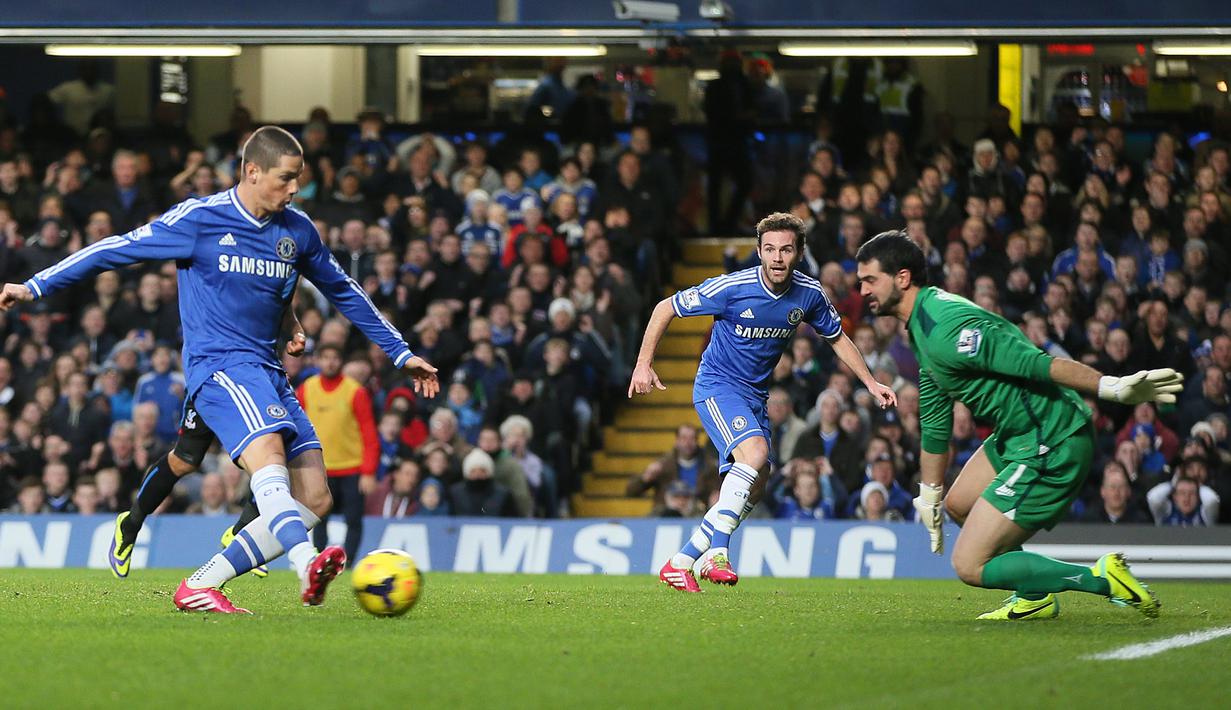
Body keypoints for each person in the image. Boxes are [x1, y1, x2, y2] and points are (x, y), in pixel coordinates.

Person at [0, 126, 440, 614]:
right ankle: (305, 563)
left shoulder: (297, 230)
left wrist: (400, 353)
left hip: (268, 372)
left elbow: (343, 290)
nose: (294, 189)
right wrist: (35, 286)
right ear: (253, 172)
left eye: (299, 179)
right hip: (219, 369)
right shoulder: (201, 220)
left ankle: (200, 585)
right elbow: (114, 249)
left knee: (315, 498)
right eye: (286, 178)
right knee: (252, 456)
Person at [854, 230, 1182, 620]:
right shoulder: (923, 326)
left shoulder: (947, 327)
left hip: (1052, 438)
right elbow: (937, 419)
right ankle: (1035, 595)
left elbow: (1034, 362)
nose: (861, 291)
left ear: (902, 278)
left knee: (969, 565)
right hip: (1019, 433)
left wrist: (1110, 387)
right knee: (958, 504)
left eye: (870, 280)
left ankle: (1103, 578)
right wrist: (929, 494)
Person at [629, 212, 895, 592]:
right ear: (758, 251)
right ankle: (717, 554)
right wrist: (643, 364)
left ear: (799, 253)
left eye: (786, 249)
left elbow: (836, 337)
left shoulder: (810, 294)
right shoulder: (732, 288)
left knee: (757, 483)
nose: (777, 257)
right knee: (753, 455)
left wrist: (869, 382)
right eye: (769, 249)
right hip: (718, 386)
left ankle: (681, 561)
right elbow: (664, 308)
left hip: (755, 395)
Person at [297, 343, 380, 563]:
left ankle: (349, 563)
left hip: (352, 468)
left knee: (353, 520)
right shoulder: (307, 389)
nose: (330, 362)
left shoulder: (355, 391)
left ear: (341, 361)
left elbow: (369, 434)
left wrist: (369, 471)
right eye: (325, 357)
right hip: (319, 467)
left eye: (334, 358)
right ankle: (318, 563)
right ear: (318, 361)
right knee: (318, 519)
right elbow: (294, 424)